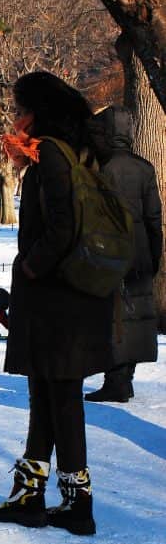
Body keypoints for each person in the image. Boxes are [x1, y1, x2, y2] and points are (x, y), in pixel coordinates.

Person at [0, 71, 114, 537]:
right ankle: (36, 496)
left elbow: (62, 228)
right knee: (50, 396)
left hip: (56, 300)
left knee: (59, 398)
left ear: (38, 112)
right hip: (63, 301)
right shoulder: (65, 153)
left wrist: (31, 268)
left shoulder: (53, 155)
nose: (15, 119)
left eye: (20, 110)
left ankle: (73, 503)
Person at [84, 106, 163, 403]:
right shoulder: (144, 168)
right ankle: (124, 378)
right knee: (136, 313)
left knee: (113, 316)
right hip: (140, 246)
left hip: (112, 247)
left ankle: (116, 381)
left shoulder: (101, 170)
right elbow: (154, 216)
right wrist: (155, 253)